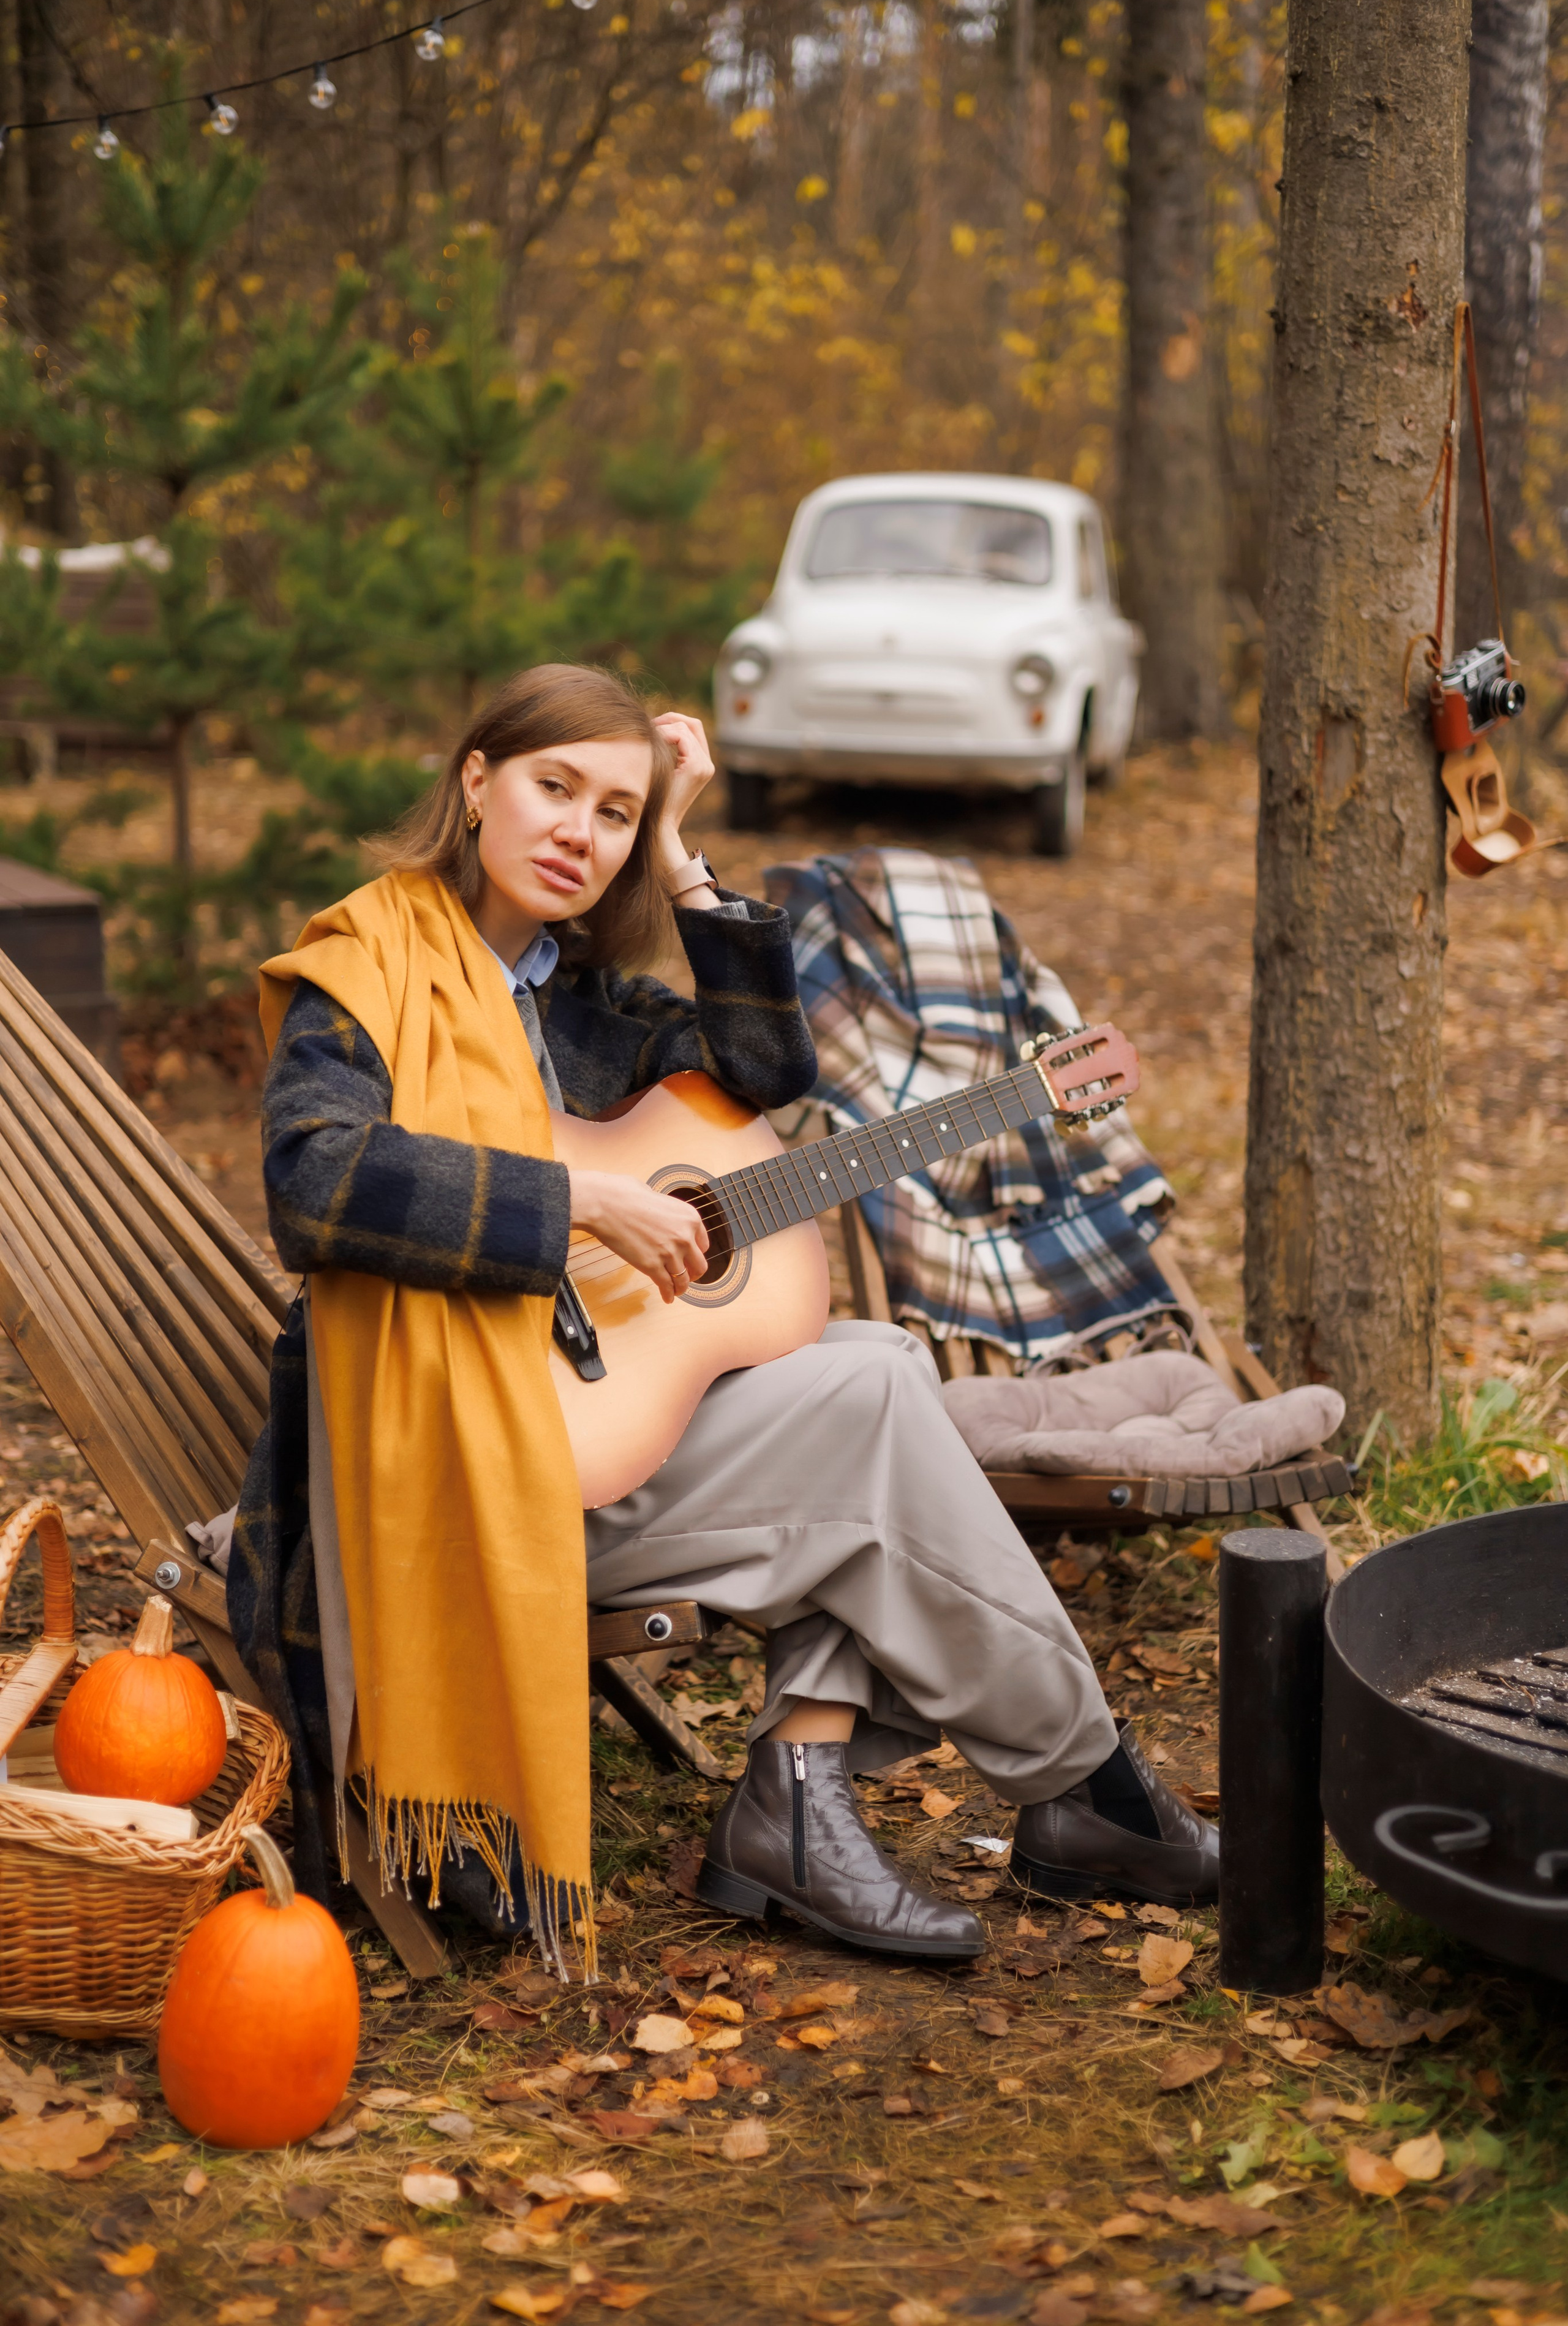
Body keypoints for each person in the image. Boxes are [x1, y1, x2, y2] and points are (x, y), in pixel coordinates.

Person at [229, 662, 1217, 1970]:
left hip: (575, 1446)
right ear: (476, 784)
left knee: (870, 1363)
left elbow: (761, 1073)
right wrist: (575, 1202)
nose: (580, 830)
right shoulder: (366, 966)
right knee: (868, 1398)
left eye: (619, 811)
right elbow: (315, 1183)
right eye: (553, 786)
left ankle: (807, 1803)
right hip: (443, 1487)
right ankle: (1079, 1782)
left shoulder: (579, 1001)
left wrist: (687, 861)